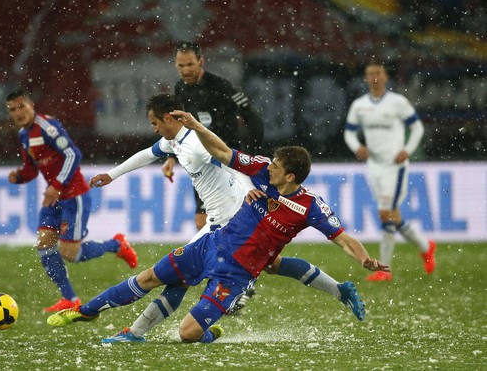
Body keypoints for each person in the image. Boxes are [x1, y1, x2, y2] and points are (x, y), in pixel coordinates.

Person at [47, 108, 389, 344]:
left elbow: (343, 239)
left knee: (188, 333)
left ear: (291, 176)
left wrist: (365, 261)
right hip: (211, 243)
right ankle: (88, 312)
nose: (268, 168)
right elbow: (225, 152)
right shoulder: (260, 169)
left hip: (236, 273)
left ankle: (337, 290)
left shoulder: (310, 206)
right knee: (150, 276)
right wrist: (196, 125)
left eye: (276, 167)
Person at [5, 88, 139, 312]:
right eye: (12, 109)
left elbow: (73, 154)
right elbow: (31, 169)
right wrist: (19, 177)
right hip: (54, 196)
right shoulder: (23, 136)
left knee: (71, 254)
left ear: (31, 106)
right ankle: (70, 298)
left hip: (73, 195)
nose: (18, 112)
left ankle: (116, 244)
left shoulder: (48, 127)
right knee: (44, 243)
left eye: (21, 106)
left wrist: (57, 185)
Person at [343, 62, 436, 282]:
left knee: (386, 214)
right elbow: (349, 133)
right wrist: (358, 147)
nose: (374, 77)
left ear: (385, 77)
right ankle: (426, 245)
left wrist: (407, 150)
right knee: (392, 215)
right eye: (370, 74)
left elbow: (417, 128)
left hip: (395, 166)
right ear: (366, 78)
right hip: (374, 166)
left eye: (378, 73)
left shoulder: (398, 102)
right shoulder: (360, 105)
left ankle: (384, 270)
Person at [163, 41, 265, 231]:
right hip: (201, 161)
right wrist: (170, 156)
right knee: (202, 224)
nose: (185, 70)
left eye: (190, 64)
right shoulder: (180, 89)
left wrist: (252, 152)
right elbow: (178, 126)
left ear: (201, 61)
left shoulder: (221, 86)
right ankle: (220, 258)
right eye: (181, 65)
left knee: (230, 222)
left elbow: (251, 116)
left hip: (227, 160)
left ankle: (237, 257)